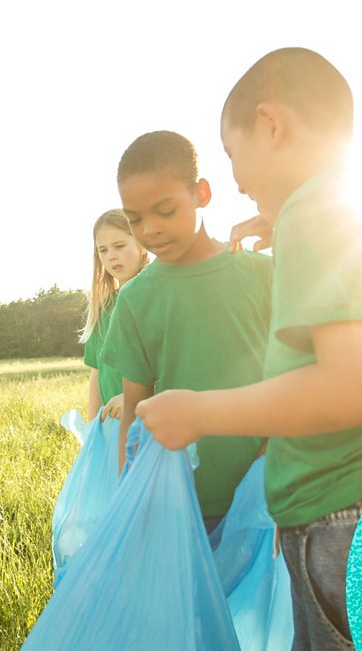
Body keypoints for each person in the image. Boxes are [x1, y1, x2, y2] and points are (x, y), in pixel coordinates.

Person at [135, 48, 362, 651]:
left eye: (233, 152)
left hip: (340, 520)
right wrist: (288, 226)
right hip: (361, 509)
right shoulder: (347, 204)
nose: (236, 176)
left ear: (270, 124)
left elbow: (356, 384)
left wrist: (201, 411)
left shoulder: (315, 214)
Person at [104, 130, 272, 530]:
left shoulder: (263, 275)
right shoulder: (135, 299)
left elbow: (297, 375)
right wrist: (132, 496)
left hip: (269, 491)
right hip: (179, 501)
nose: (151, 230)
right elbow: (134, 408)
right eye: (136, 220)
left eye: (165, 211)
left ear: (201, 193)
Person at [81, 208, 148, 421]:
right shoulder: (104, 307)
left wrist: (133, 398)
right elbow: (97, 372)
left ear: (142, 245)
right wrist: (92, 427)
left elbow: (171, 366)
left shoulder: (155, 299)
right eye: (103, 250)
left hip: (152, 420)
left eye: (119, 246)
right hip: (112, 424)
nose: (111, 256)